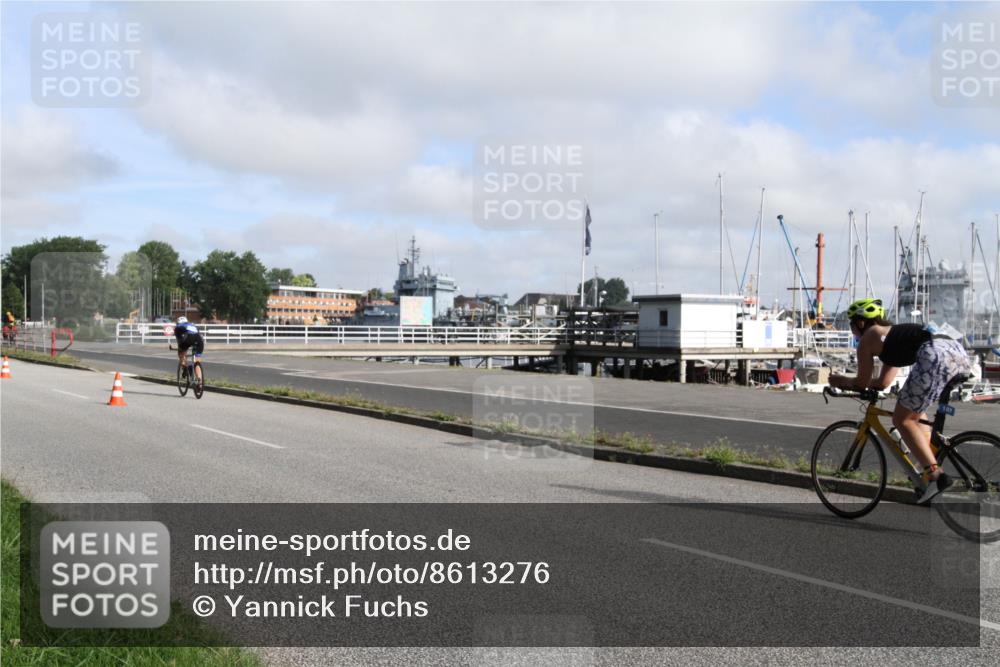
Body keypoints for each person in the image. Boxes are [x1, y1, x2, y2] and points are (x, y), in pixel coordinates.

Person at [829, 298, 971, 504]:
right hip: (956, 351)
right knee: (915, 415)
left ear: (860, 323)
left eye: (851, 324)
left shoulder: (869, 336)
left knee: (902, 420)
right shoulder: (893, 335)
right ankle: (930, 455)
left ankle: (936, 476)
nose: (852, 330)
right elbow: (883, 382)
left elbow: (861, 382)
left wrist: (839, 381)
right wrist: (866, 385)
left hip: (934, 354)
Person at [173, 316, 204, 382]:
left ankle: (186, 367)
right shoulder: (192, 325)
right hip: (199, 339)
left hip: (189, 338)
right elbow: (198, 333)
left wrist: (181, 350)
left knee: (181, 352)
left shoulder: (178, 327)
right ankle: (200, 381)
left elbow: (179, 341)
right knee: (197, 361)